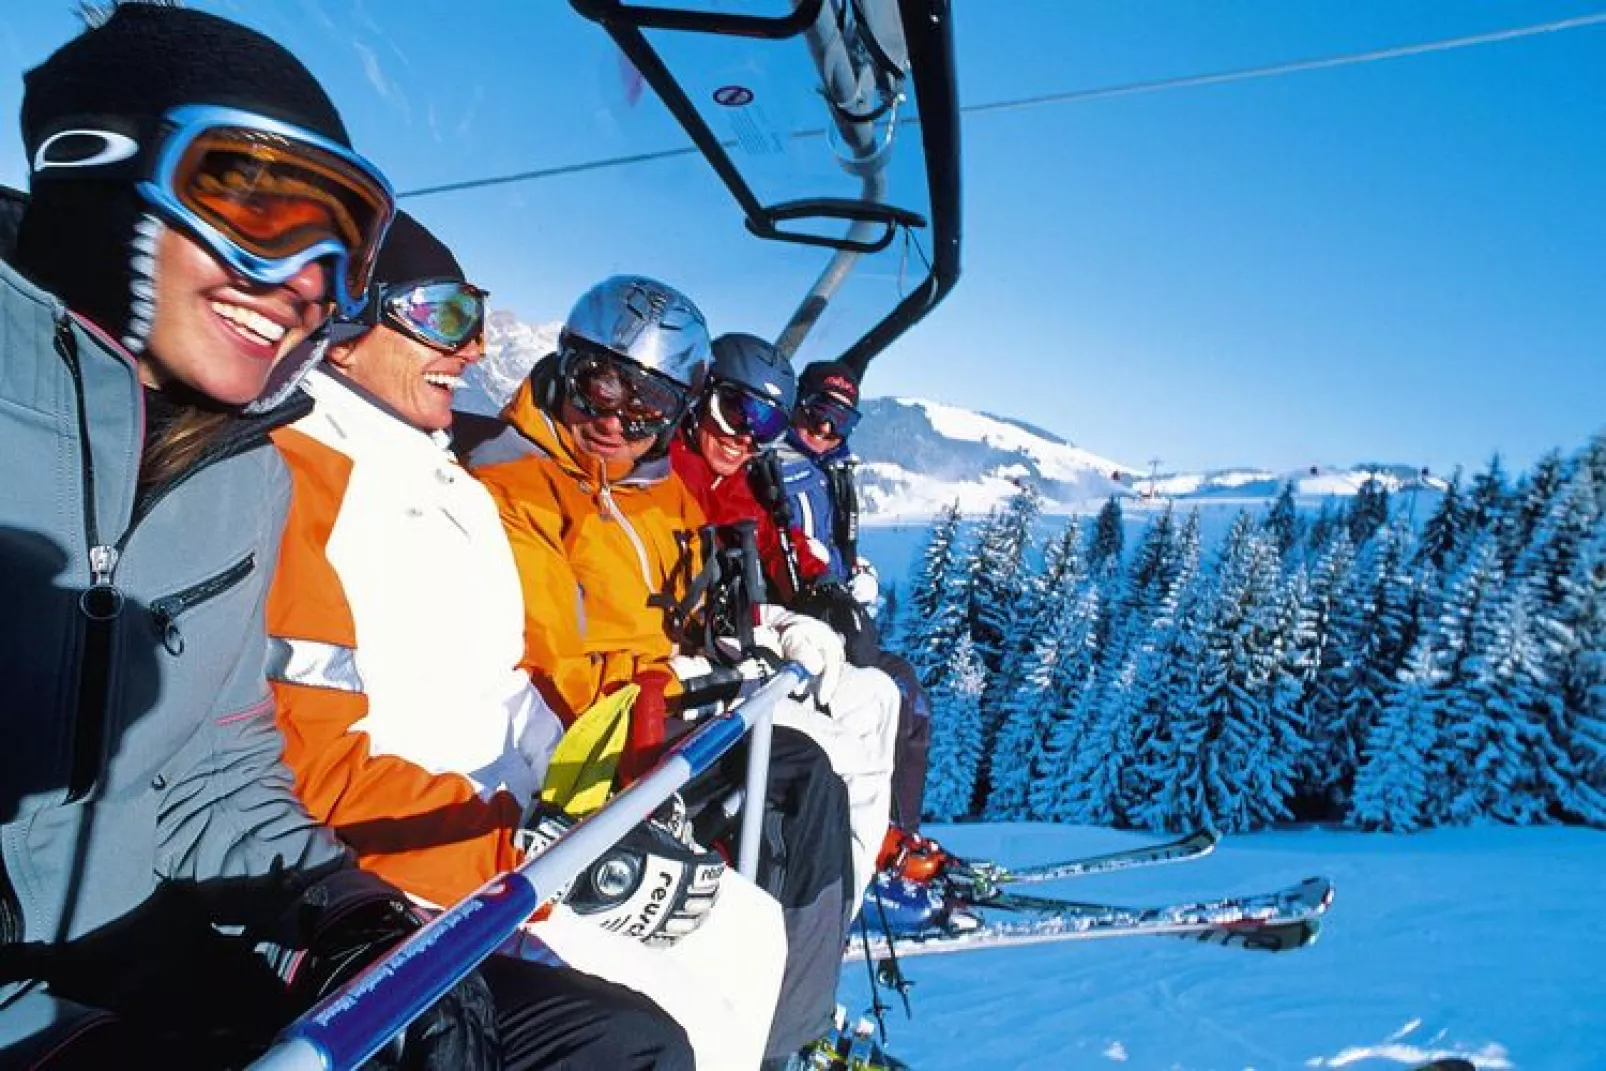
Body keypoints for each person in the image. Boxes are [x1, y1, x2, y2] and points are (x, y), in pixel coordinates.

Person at [0, 7, 491, 1066]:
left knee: (602, 1037)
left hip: (145, 945)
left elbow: (219, 774)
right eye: (259, 206)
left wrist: (343, 924)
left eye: (342, 246)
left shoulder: (242, 475)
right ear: (93, 163)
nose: (310, 278)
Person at [269, 211, 781, 1069]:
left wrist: (604, 810)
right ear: (347, 321)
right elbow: (307, 766)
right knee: (675, 1018)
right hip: (433, 864)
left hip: (523, 830)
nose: (473, 352)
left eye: (474, 316)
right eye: (442, 317)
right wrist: (530, 853)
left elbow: (509, 681)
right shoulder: (302, 476)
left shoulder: (440, 475)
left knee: (748, 928)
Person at [464, 277, 857, 1065]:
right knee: (796, 775)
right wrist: (681, 677)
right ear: (562, 366)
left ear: (674, 407)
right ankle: (771, 1040)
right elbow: (556, 662)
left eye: (642, 407)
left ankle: (791, 1030)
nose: (612, 422)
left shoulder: (657, 487)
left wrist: (761, 628)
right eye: (594, 389)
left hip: (661, 708)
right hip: (595, 738)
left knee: (810, 781)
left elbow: (701, 594)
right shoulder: (516, 486)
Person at [670, 333, 901, 905]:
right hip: (700, 658)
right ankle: (819, 906)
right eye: (736, 411)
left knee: (879, 696)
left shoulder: (735, 482)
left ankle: (843, 892)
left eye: (766, 425)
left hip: (742, 635)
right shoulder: (670, 470)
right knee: (846, 758)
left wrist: (819, 597)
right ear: (701, 395)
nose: (745, 435)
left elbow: (774, 544)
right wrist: (765, 627)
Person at [777, 361, 938, 854]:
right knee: (891, 694)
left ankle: (895, 834)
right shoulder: (778, 467)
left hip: (831, 615)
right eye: (818, 415)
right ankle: (877, 840)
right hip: (801, 626)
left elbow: (829, 544)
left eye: (840, 422)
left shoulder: (829, 470)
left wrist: (854, 571)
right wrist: (830, 586)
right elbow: (788, 550)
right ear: (796, 407)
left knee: (908, 694)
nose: (826, 431)